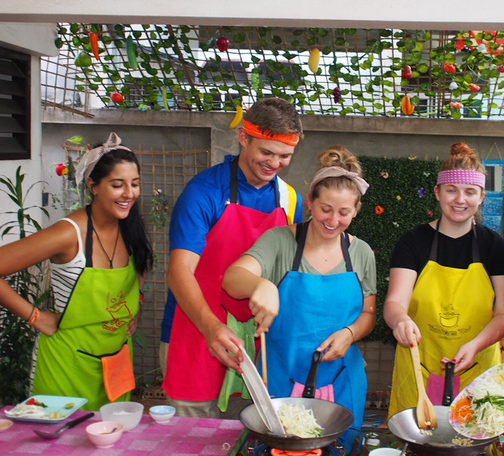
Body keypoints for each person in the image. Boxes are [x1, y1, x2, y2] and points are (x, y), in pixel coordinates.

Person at [161, 98, 304, 418]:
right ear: (244, 137)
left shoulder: (290, 199)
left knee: (248, 446)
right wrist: (211, 328)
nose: (274, 164)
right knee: (192, 449)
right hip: (197, 333)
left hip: (257, 345)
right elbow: (179, 272)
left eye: (285, 156)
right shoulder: (205, 192)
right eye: (266, 152)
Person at [222, 146, 376, 440]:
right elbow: (232, 278)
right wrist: (261, 285)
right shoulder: (280, 242)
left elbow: (369, 313)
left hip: (343, 382)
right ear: (310, 203)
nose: (333, 220)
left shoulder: (361, 253)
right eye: (325, 209)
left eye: (344, 213)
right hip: (282, 380)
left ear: (356, 211)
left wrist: (351, 333)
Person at [0, 132, 153, 411]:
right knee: (61, 450)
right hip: (66, 367)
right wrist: (35, 317)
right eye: (117, 185)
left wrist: (135, 309)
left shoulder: (131, 229)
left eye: (135, 184)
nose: (129, 194)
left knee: (110, 447)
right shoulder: (68, 234)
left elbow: (137, 277)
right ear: (93, 185)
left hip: (115, 365)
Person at [385, 143, 504, 417]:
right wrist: (400, 320)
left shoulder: (497, 248)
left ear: (481, 196)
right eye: (451, 190)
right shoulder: (413, 243)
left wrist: (475, 346)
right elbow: (395, 302)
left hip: (478, 367)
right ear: (437, 192)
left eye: (470, 192)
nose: (460, 200)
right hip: (419, 365)